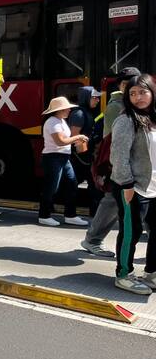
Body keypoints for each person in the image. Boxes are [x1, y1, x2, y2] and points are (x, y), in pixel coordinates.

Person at [82, 67, 141, 257]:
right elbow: (115, 140)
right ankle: (93, 239)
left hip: (139, 161)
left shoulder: (137, 103)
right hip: (122, 162)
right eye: (126, 83)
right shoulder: (117, 107)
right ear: (121, 86)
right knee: (113, 201)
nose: (131, 86)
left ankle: (93, 239)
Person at [110, 74, 156, 295]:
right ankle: (124, 274)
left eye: (143, 92)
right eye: (133, 93)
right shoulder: (126, 120)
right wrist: (127, 185)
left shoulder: (153, 118)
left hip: (154, 187)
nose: (138, 97)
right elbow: (119, 157)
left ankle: (151, 272)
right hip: (132, 187)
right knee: (132, 231)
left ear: (152, 93)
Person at [38, 97, 89, 227]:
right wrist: (78, 137)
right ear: (59, 110)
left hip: (63, 157)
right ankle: (44, 216)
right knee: (51, 187)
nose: (69, 110)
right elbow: (60, 141)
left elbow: (65, 140)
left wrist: (76, 140)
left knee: (72, 184)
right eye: (66, 108)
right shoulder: (52, 122)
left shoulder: (60, 121)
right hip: (53, 157)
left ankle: (70, 215)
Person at [69, 86, 103, 215]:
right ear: (86, 98)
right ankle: (70, 213)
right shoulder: (79, 114)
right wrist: (85, 155)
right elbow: (75, 136)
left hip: (86, 156)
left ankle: (94, 213)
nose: (97, 100)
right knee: (72, 185)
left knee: (93, 186)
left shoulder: (87, 112)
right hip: (80, 157)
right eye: (94, 97)